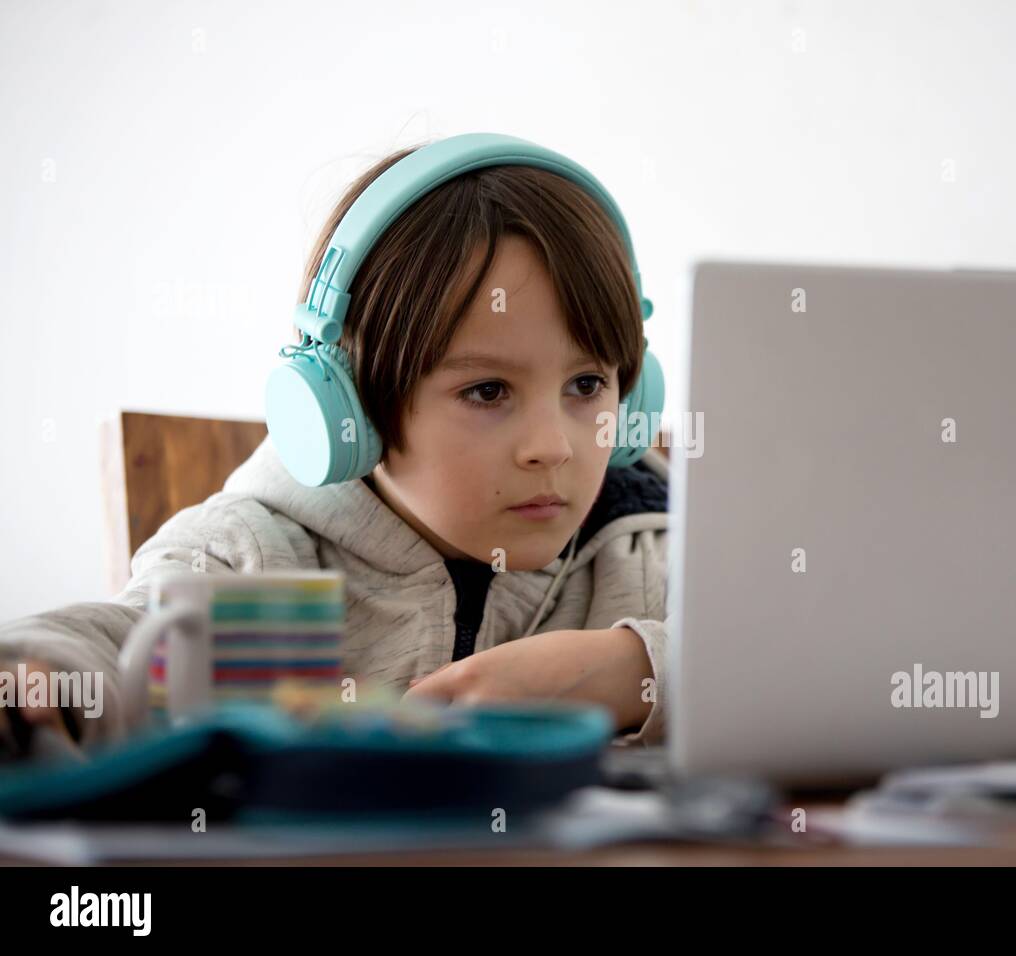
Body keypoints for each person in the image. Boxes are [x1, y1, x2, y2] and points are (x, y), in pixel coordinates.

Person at [0, 143, 671, 757]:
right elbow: (122, 647)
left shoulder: (653, 554)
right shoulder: (260, 563)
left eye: (586, 384)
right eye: (489, 390)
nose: (552, 447)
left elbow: (773, 662)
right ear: (345, 401)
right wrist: (39, 670)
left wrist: (635, 668)